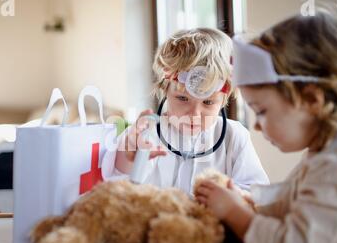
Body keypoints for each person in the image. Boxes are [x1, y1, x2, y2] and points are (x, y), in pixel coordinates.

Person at [195, 10, 337, 243]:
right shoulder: (330, 150)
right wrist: (249, 202)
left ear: (311, 100)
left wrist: (235, 212)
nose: (257, 126)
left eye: (261, 111)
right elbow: (298, 203)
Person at [101, 28, 269, 195]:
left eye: (208, 102)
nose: (194, 115)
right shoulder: (146, 133)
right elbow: (118, 180)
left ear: (224, 99)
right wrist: (129, 157)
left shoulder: (235, 137)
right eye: (182, 99)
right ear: (165, 89)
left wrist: (230, 197)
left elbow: (256, 193)